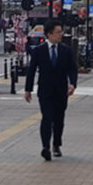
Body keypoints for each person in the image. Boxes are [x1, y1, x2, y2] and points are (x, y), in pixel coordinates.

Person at [24, 22, 77, 161]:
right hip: (45, 90)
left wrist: (73, 84)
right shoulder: (39, 50)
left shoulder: (66, 50)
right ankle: (45, 146)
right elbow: (31, 70)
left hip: (61, 90)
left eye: (61, 32)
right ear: (49, 34)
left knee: (59, 119)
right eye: (58, 32)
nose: (61, 35)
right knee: (47, 117)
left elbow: (72, 68)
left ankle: (56, 144)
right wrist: (28, 89)